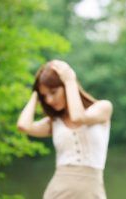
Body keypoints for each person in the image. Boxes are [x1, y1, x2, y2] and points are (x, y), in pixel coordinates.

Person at [17, 60, 113, 199]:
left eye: (53, 92)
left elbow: (78, 117)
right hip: (57, 192)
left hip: (92, 192)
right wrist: (36, 94)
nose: (49, 100)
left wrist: (69, 80)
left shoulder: (102, 108)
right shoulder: (55, 122)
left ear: (66, 86)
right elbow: (23, 126)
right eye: (45, 96)